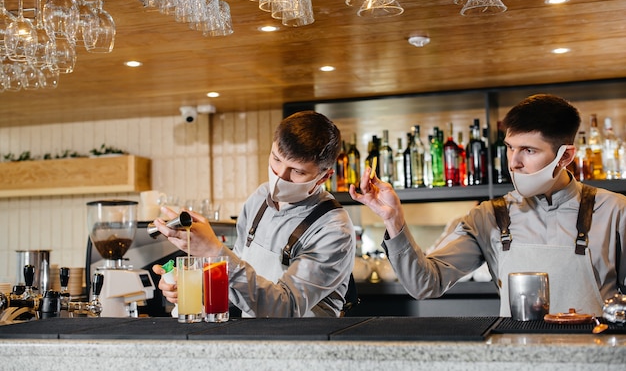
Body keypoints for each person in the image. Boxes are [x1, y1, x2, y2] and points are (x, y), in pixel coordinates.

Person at [350, 94, 626, 316]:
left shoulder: (615, 211)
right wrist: (394, 220)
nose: (514, 162)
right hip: (516, 359)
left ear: (565, 156)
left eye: (529, 150)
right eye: (509, 147)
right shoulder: (490, 216)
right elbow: (426, 284)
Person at [152, 110, 355, 318]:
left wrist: (214, 252)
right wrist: (196, 289)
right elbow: (239, 286)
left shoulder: (333, 228)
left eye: (297, 171)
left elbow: (287, 308)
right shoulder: (259, 199)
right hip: (252, 339)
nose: (280, 177)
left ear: (323, 177)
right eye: (276, 160)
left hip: (303, 344)